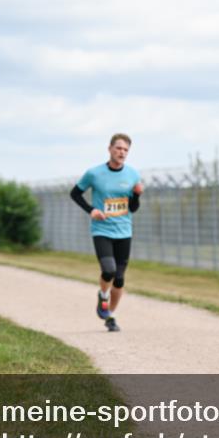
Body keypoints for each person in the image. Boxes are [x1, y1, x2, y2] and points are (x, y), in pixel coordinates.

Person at [69, 133, 144, 332]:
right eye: (118, 148)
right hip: (102, 229)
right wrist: (91, 210)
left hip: (124, 231)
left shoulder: (132, 175)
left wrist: (136, 195)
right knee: (108, 270)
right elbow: (75, 194)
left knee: (119, 278)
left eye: (126, 150)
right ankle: (103, 295)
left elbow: (133, 208)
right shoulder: (94, 173)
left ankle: (110, 315)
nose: (122, 152)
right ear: (110, 149)